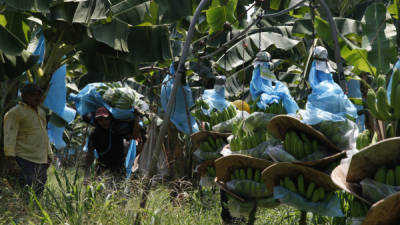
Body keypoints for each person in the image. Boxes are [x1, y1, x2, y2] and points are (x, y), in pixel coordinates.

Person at [3, 83, 53, 196]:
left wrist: (49, 155)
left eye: (39, 94)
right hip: (25, 159)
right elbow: (9, 136)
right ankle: (24, 213)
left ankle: (33, 213)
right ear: (24, 96)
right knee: (26, 193)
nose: (37, 97)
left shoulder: (41, 112)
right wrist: (11, 160)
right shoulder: (15, 113)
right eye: (32, 95)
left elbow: (44, 134)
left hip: (41, 160)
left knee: (38, 193)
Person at [84, 107, 141, 181]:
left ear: (110, 118)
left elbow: (134, 137)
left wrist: (136, 120)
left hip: (118, 168)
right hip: (102, 168)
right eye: (100, 120)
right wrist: (87, 174)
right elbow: (90, 154)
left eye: (106, 119)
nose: (104, 122)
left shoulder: (117, 130)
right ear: (97, 121)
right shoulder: (94, 134)